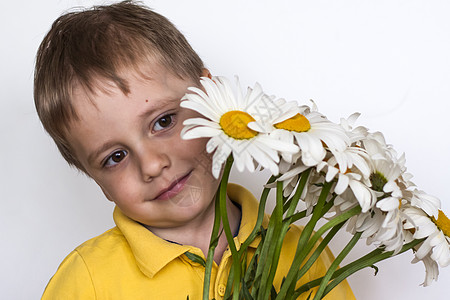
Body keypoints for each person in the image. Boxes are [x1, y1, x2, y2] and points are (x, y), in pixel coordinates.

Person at [35, 1, 355, 299]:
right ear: (95, 179)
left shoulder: (303, 254)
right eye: (115, 157)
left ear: (210, 95)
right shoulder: (86, 283)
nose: (151, 165)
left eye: (163, 122)